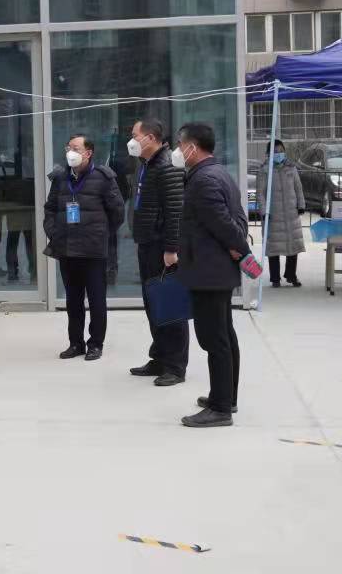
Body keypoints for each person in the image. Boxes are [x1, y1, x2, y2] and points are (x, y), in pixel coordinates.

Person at [175, 123, 251, 428]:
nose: (178, 151)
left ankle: (220, 408)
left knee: (214, 339)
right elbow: (238, 218)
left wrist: (239, 248)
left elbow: (223, 224)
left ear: (192, 147)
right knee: (224, 334)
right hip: (215, 269)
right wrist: (238, 246)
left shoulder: (204, 180)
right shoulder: (219, 173)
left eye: (180, 145)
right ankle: (225, 397)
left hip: (209, 270)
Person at [44, 134, 124, 361]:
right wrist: (53, 231)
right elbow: (50, 208)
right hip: (67, 248)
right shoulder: (60, 178)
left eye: (76, 148)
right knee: (73, 300)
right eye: (68, 147)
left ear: (88, 153)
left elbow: (117, 212)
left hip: (93, 250)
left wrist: (101, 233)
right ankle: (75, 343)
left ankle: (95, 344)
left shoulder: (104, 177)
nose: (70, 152)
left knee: (97, 299)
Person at [126, 119, 188, 387]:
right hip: (147, 243)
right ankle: (160, 358)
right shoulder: (146, 164)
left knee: (169, 304)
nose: (131, 140)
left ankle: (175, 366)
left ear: (150, 138)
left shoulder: (167, 166)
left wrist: (171, 248)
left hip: (163, 247)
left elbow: (175, 212)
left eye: (135, 135)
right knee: (153, 304)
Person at [258, 139, 306, 288]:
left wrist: (301, 205)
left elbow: (298, 188)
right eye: (275, 152)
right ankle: (275, 278)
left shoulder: (291, 168)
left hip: (291, 213)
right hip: (273, 215)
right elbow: (260, 193)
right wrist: (264, 211)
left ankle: (291, 275)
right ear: (268, 154)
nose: (278, 154)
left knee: (293, 246)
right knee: (274, 248)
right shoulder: (265, 170)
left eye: (281, 151)